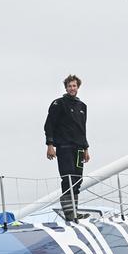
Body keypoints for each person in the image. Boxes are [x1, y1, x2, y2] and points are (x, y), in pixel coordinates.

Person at [44, 74, 90, 221]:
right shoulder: (58, 103)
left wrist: (86, 149)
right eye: (69, 86)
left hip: (79, 149)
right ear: (66, 87)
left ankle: (75, 211)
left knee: (78, 179)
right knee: (68, 178)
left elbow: (82, 128)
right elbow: (49, 125)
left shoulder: (82, 106)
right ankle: (69, 213)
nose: (72, 88)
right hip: (64, 147)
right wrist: (50, 145)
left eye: (74, 86)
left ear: (78, 87)